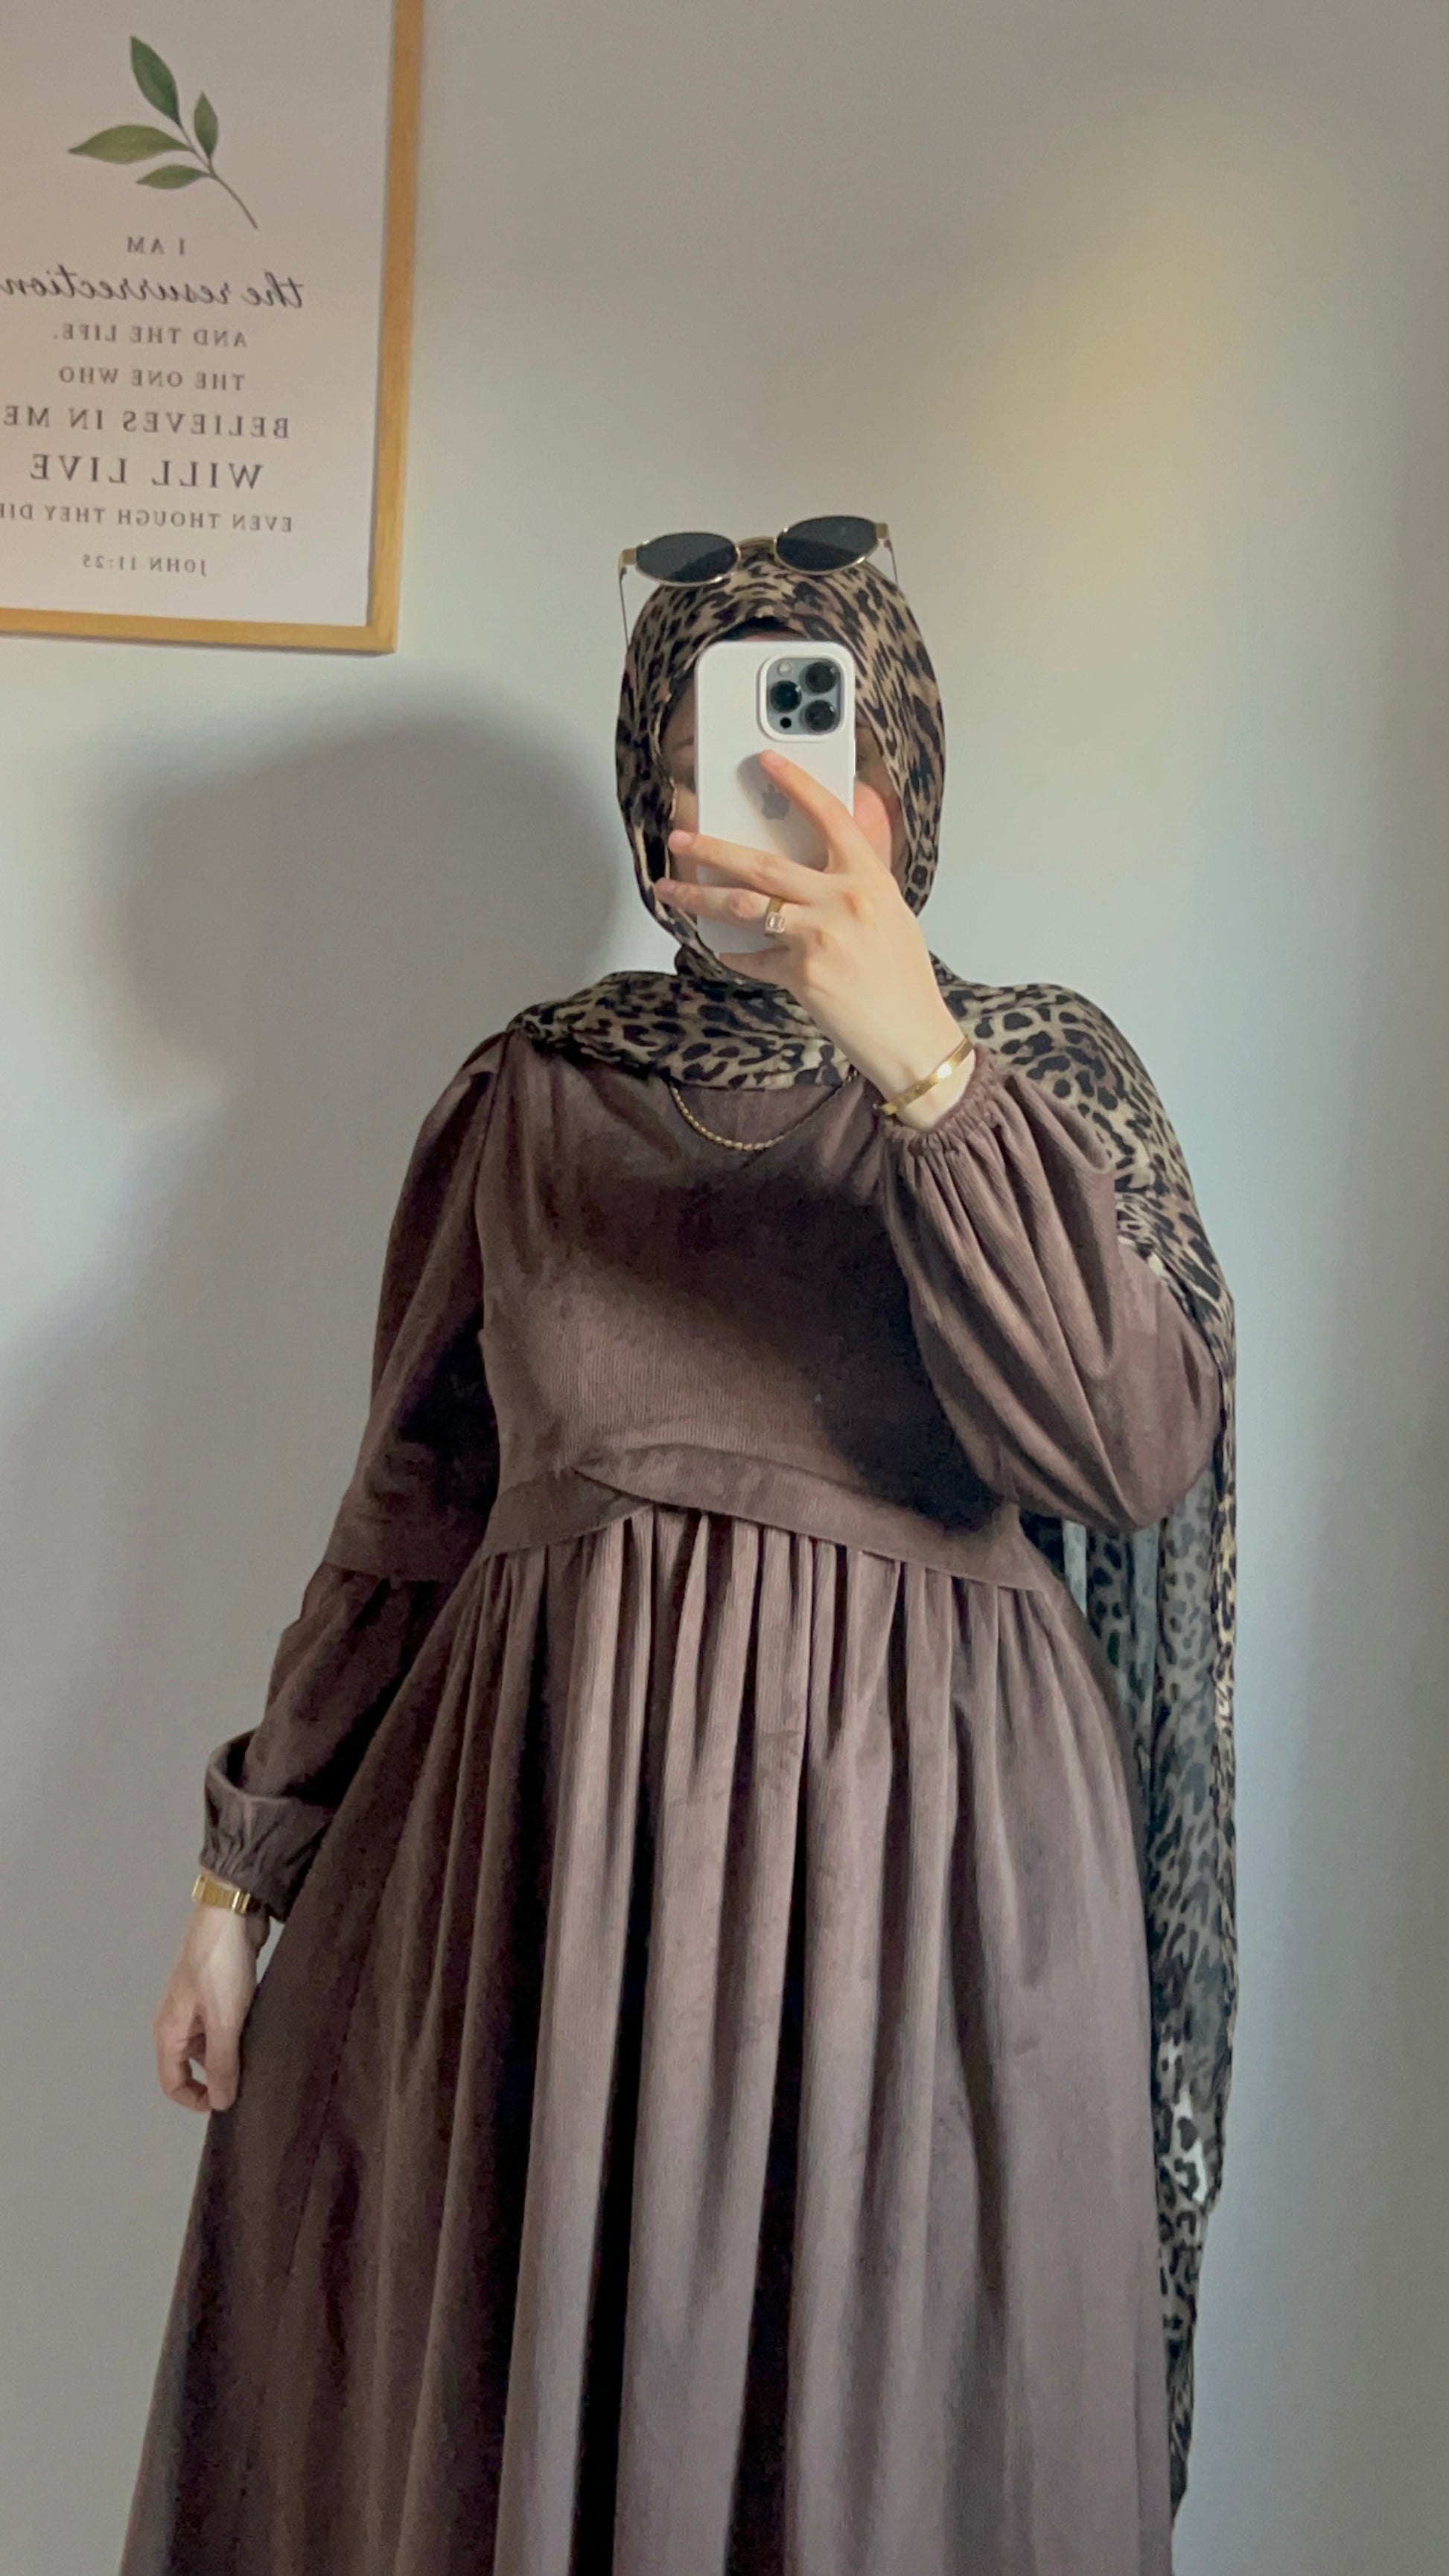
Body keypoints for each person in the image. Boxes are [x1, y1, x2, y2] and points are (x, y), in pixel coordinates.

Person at [120, 535, 1236, 2576]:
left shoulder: (1040, 1077)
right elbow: (408, 1511)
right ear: (651, 771)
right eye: (715, 731)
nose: (769, 786)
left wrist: (922, 1066)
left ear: (900, 764)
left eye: (817, 728)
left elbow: (1126, 1449)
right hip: (546, 1888)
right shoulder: (537, 1090)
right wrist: (239, 1874)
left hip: (929, 1907)